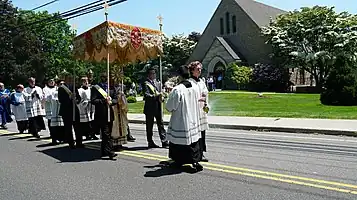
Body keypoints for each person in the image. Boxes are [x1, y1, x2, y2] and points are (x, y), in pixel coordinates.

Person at [165, 65, 203, 172]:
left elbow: (170, 106)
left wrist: (168, 97)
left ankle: (180, 161)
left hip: (181, 121)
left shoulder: (178, 89)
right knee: (193, 141)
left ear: (179, 76)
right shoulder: (195, 87)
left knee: (179, 142)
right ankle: (194, 160)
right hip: (193, 119)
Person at [91, 78, 118, 159]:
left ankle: (103, 151)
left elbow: (115, 99)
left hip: (110, 114)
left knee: (108, 133)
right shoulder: (96, 88)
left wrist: (112, 101)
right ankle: (110, 151)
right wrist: (103, 100)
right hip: (101, 114)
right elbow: (93, 100)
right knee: (106, 133)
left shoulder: (112, 88)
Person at [188, 61, 210, 162]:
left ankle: (202, 152)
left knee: (202, 132)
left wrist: (205, 101)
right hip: (194, 111)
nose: (200, 71)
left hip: (201, 110)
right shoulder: (190, 82)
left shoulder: (201, 81)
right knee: (195, 133)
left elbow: (205, 92)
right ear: (192, 70)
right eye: (198, 69)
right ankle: (195, 153)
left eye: (200, 69)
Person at [143, 67, 169, 148]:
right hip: (150, 108)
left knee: (160, 124)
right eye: (151, 73)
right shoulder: (146, 83)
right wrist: (156, 96)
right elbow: (147, 95)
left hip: (158, 107)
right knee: (149, 126)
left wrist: (163, 96)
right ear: (148, 74)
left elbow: (161, 94)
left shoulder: (158, 83)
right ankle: (150, 141)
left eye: (154, 73)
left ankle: (164, 141)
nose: (153, 75)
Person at [58, 76, 82, 149]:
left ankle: (79, 142)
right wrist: (70, 98)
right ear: (65, 80)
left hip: (74, 109)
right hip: (66, 110)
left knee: (77, 127)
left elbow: (79, 97)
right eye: (69, 79)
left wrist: (76, 100)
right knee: (68, 128)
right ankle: (71, 143)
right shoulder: (61, 88)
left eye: (71, 79)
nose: (70, 80)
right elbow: (61, 100)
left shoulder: (73, 87)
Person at [49, 80, 65, 144]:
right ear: (57, 85)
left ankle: (62, 139)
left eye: (63, 84)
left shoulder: (65, 91)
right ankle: (54, 139)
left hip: (62, 110)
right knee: (55, 126)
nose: (62, 85)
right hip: (55, 110)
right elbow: (52, 99)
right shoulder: (54, 92)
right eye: (60, 84)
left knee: (62, 126)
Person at [43, 79, 57, 143]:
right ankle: (51, 133)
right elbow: (45, 97)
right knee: (50, 120)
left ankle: (56, 134)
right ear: (48, 82)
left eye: (53, 81)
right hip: (49, 106)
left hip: (56, 106)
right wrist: (50, 97)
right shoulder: (45, 89)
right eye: (50, 82)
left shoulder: (57, 88)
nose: (52, 82)